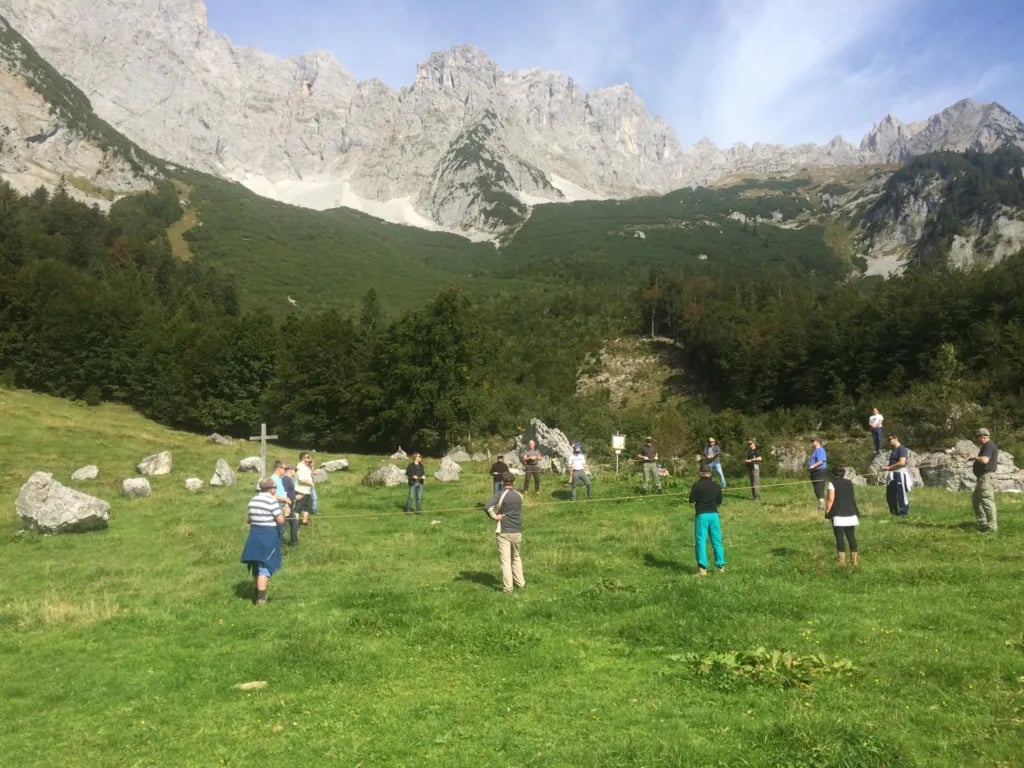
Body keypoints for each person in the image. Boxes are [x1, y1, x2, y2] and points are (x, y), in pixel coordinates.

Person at [240, 477, 286, 605]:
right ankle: (261, 599)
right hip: (268, 535)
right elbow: (280, 520)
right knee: (264, 567)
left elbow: (249, 520)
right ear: (271, 489)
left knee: (256, 566)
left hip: (254, 535)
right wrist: (284, 513)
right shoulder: (272, 501)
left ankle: (256, 596)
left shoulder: (253, 500)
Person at [484, 472, 525, 593]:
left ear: (502, 482)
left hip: (504, 530)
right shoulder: (519, 495)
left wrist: (495, 517)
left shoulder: (500, 494)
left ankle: (508, 588)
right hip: (517, 530)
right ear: (514, 482)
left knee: (505, 560)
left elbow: (487, 507)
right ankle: (521, 583)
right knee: (516, 557)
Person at [688, 464, 726, 576]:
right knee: (717, 540)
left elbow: (691, 502)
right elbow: (719, 502)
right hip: (714, 515)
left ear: (700, 473)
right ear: (710, 473)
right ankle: (721, 566)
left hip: (702, 515)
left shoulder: (696, 485)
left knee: (701, 541)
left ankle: (702, 569)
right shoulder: (716, 486)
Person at [825, 465, 860, 568]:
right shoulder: (849, 483)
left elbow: (831, 499)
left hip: (838, 514)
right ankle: (854, 562)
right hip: (851, 513)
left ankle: (842, 563)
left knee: (839, 538)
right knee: (851, 537)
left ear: (833, 474)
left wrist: (827, 512)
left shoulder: (832, 483)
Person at [971, 428, 998, 533]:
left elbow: (985, 460)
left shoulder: (989, 446)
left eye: (977, 437)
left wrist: (974, 457)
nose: (977, 440)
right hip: (982, 478)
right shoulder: (986, 446)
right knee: (976, 500)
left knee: (987, 501)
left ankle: (991, 528)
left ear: (982, 436)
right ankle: (982, 524)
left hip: (986, 478)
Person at [882, 434, 911, 516]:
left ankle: (903, 512)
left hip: (899, 473)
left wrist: (889, 467)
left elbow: (902, 462)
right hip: (892, 474)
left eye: (890, 439)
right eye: (888, 440)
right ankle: (894, 512)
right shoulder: (893, 450)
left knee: (901, 493)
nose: (889, 441)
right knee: (890, 494)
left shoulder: (901, 449)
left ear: (896, 439)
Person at [270, 460, 291, 545]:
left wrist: (286, 504)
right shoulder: (273, 479)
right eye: (284, 468)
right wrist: (285, 500)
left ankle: (279, 546)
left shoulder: (279, 479)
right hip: (277, 506)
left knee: (282, 528)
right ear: (278, 468)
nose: (285, 470)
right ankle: (277, 547)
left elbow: (282, 493)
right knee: (279, 528)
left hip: (282, 505)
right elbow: (273, 495)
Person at [293, 452, 316, 526]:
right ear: (303, 458)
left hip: (307, 490)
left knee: (307, 507)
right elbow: (301, 480)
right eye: (308, 457)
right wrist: (311, 484)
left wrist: (312, 466)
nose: (310, 458)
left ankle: (304, 521)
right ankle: (295, 523)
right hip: (301, 490)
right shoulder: (300, 466)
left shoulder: (306, 467)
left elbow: (313, 473)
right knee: (298, 507)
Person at [808, 437, 828, 511]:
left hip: (820, 472)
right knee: (816, 489)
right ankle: (821, 504)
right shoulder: (815, 451)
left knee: (819, 488)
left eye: (813, 441)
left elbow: (821, 461)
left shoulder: (820, 450)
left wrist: (812, 466)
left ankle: (822, 505)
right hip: (815, 472)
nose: (812, 442)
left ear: (818, 441)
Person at [281, 463, 299, 546]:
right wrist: (286, 505)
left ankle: (293, 541)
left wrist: (295, 497)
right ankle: (293, 542)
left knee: (290, 523)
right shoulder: (285, 479)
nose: (296, 472)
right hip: (287, 506)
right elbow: (284, 492)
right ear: (291, 470)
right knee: (289, 523)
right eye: (295, 470)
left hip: (290, 505)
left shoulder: (289, 479)